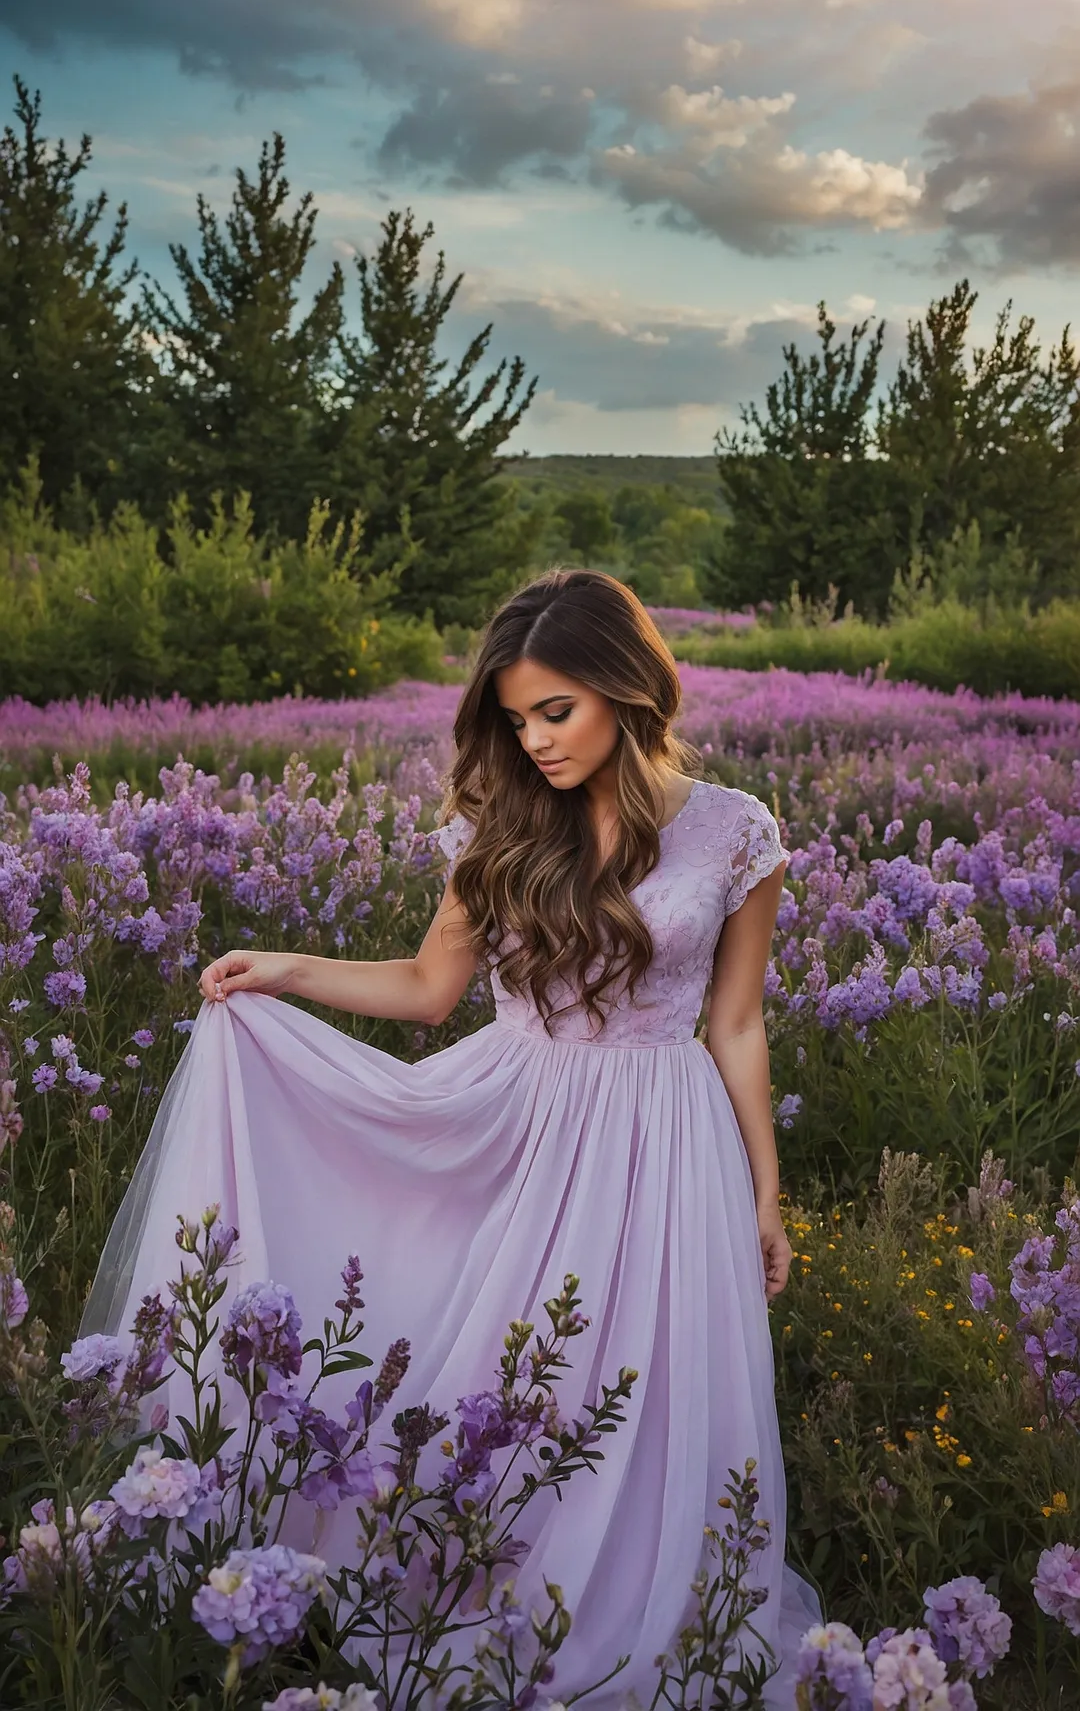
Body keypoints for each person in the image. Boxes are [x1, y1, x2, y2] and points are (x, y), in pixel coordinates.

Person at [81, 567, 819, 1707]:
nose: (535, 742)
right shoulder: (504, 822)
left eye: (555, 711)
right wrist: (286, 968)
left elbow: (736, 1023)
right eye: (516, 720)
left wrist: (765, 1191)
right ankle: (468, 1585)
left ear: (627, 687)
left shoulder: (734, 829)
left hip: (668, 1138)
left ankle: (631, 1605)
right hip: (517, 1116)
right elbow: (431, 989)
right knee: (504, 1372)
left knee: (648, 1383)